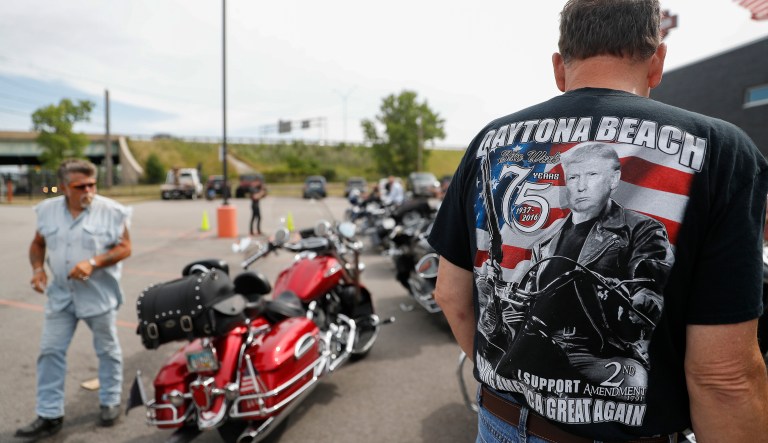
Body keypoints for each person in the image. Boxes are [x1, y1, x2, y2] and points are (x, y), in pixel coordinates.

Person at [429, 1, 768, 442]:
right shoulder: (722, 150)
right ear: (657, 62)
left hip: (514, 417)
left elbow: (451, 297)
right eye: (573, 176)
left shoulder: (490, 142)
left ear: (559, 68)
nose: (580, 186)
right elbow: (723, 378)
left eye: (591, 175)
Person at [17, 159, 132, 438]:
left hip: (97, 295)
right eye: (81, 186)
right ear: (66, 187)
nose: (88, 190)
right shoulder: (47, 211)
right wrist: (37, 269)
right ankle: (49, 414)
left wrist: (93, 262)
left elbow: (125, 247)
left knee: (107, 350)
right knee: (50, 352)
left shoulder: (111, 211)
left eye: (92, 184)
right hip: (61, 296)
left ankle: (110, 401)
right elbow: (38, 243)